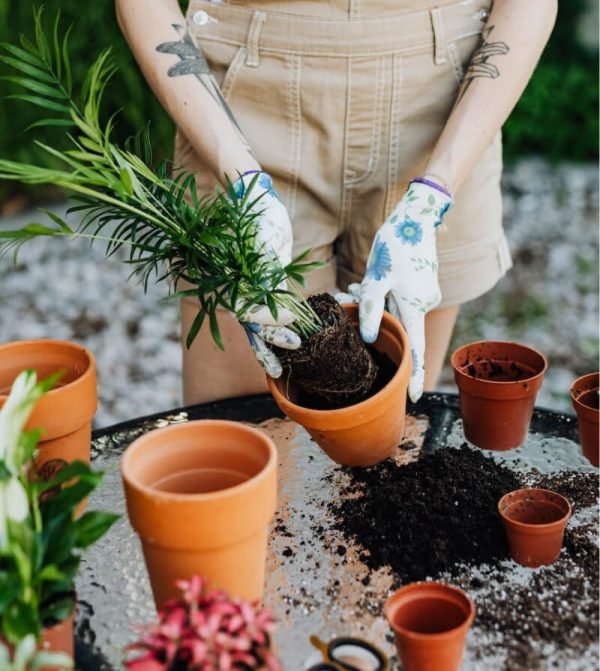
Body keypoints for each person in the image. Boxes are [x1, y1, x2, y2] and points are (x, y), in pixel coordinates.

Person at [116, 0, 557, 405]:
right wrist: (241, 180)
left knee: (391, 435)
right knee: (242, 443)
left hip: (438, 107)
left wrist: (432, 195)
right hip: (243, 109)